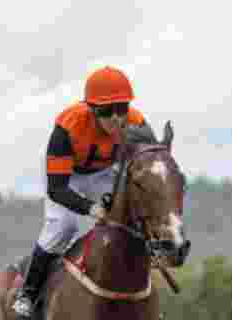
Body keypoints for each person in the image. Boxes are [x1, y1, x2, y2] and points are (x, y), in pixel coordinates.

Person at [11, 66, 150, 318]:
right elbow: (57, 189)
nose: (116, 118)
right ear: (91, 109)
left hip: (105, 172)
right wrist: (90, 208)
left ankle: (148, 273)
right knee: (63, 226)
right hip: (68, 176)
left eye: (121, 108)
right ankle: (28, 293)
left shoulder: (137, 123)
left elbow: (151, 164)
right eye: (106, 111)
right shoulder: (67, 127)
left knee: (130, 215)